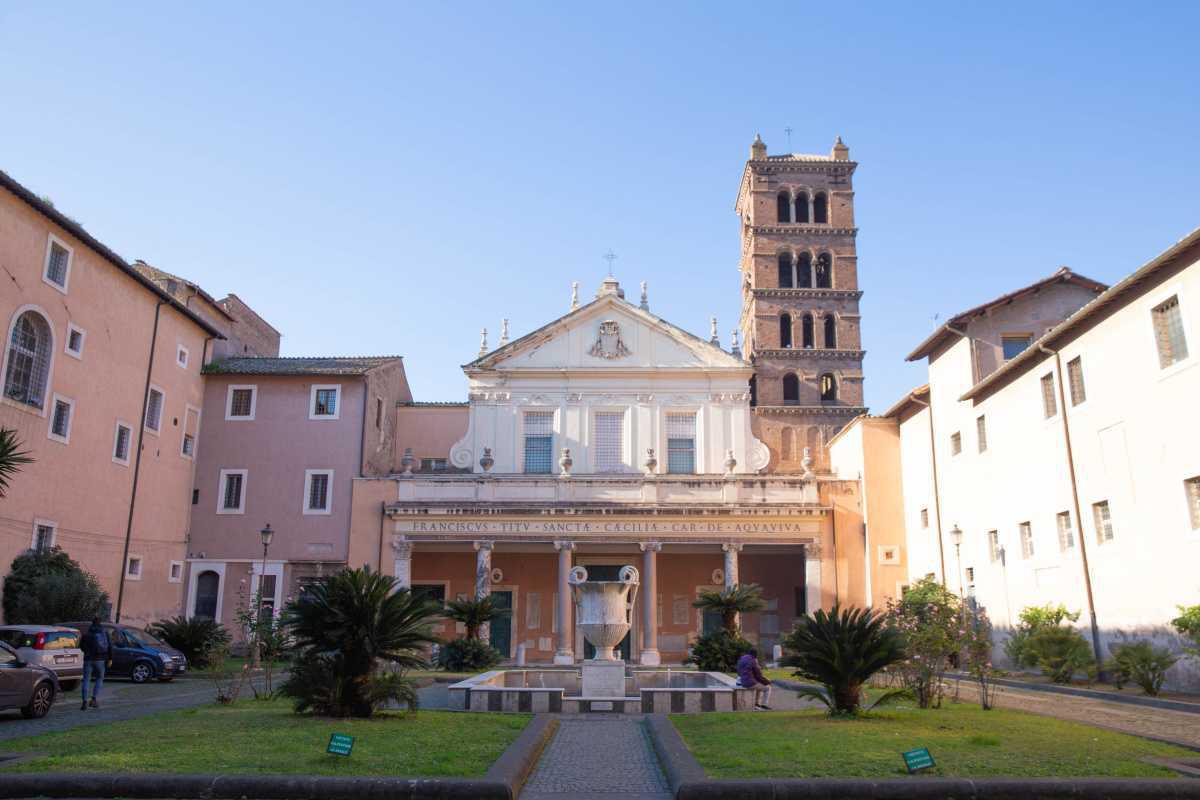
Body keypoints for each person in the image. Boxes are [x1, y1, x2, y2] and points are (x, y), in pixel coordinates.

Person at [79, 617, 111, 711]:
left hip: (88, 659)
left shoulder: (86, 634)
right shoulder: (104, 633)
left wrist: (87, 652)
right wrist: (110, 658)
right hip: (100, 659)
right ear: (100, 623)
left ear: (92, 624)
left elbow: (81, 646)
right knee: (100, 678)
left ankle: (84, 702)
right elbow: (110, 646)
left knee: (86, 680)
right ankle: (94, 699)